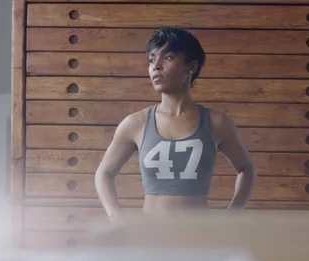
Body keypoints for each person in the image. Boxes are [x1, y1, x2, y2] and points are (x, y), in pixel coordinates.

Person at [95, 26, 256, 219]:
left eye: (168, 57)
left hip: (200, 239)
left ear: (192, 66)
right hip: (151, 239)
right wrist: (115, 216)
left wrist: (233, 215)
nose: (156, 66)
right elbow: (104, 173)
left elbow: (246, 169)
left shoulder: (217, 123)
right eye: (152, 60)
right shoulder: (135, 123)